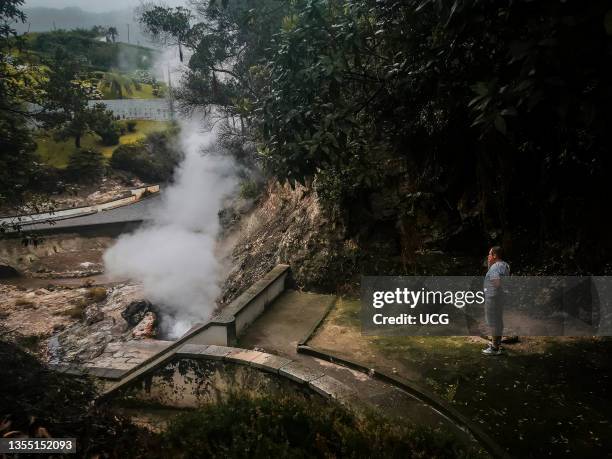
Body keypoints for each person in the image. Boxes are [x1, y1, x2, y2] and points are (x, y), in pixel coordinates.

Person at [482, 246, 510, 356]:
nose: (488, 256)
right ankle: (497, 344)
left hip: (493, 297)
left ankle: (494, 348)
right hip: (499, 297)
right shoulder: (505, 265)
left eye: (490, 254)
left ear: (494, 255)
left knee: (493, 322)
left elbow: (497, 282)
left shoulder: (495, 267)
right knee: (498, 321)